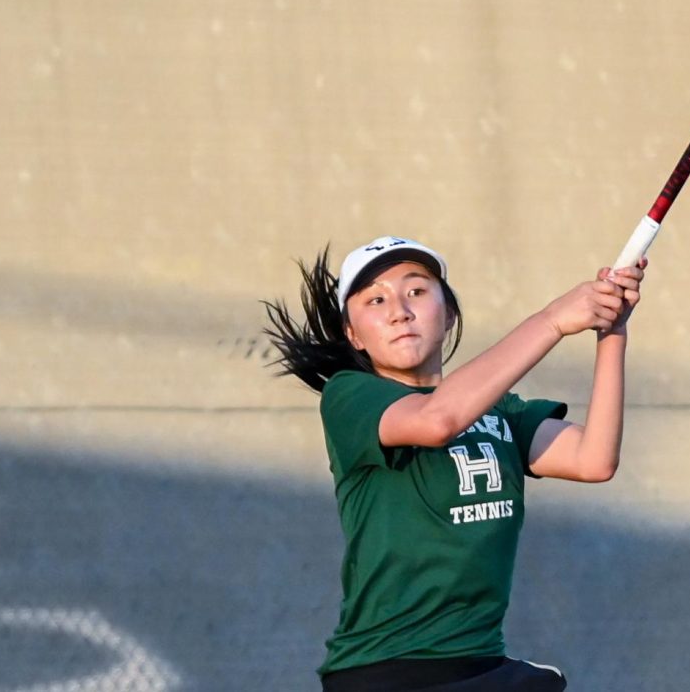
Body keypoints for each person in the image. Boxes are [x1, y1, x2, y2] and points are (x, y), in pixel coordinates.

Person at [262, 236, 647, 691]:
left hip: (481, 667)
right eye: (376, 300)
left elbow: (594, 459)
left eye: (417, 291)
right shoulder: (351, 396)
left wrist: (611, 330)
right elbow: (438, 419)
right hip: (386, 673)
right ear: (353, 335)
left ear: (449, 314)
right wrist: (552, 321)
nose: (399, 310)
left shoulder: (502, 412)